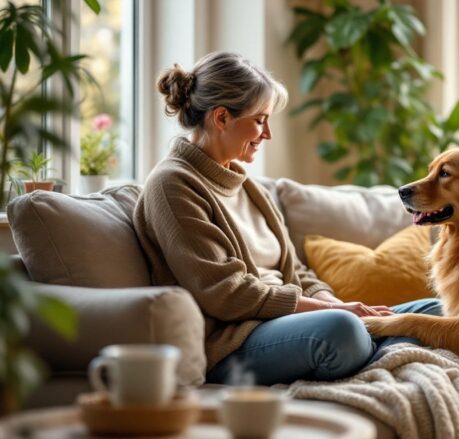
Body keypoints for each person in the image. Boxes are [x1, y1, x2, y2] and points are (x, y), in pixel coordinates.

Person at [134, 52, 441, 385]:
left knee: (434, 312)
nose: (266, 134)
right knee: (343, 330)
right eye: (260, 119)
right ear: (221, 118)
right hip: (236, 344)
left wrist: (335, 302)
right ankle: (380, 352)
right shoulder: (172, 184)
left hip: (296, 325)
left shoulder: (248, 187)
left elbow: (297, 272)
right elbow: (227, 294)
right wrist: (336, 314)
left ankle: (375, 350)